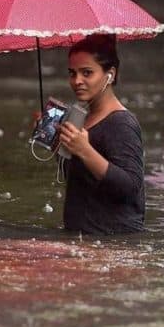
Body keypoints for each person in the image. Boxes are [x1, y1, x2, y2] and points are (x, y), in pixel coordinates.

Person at [59, 34, 144, 235]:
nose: (77, 81)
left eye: (87, 73)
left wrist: (85, 150)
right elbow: (79, 179)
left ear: (110, 75)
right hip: (79, 237)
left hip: (110, 242)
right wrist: (58, 142)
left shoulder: (121, 123)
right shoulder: (81, 118)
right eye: (72, 73)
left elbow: (131, 188)